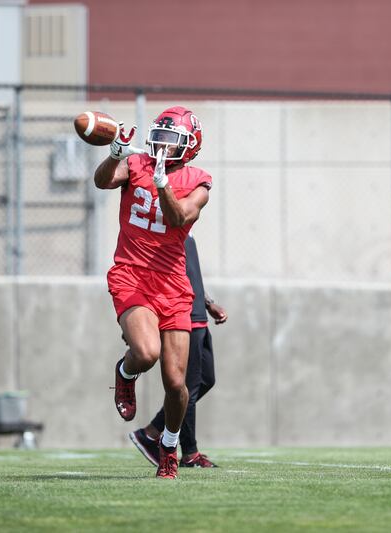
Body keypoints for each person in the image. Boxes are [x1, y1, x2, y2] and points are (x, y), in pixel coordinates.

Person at [94, 106, 211, 480]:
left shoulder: (199, 180)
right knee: (146, 352)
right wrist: (115, 153)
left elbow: (179, 219)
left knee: (177, 384)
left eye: (171, 140)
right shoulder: (138, 163)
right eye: (158, 137)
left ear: (190, 146)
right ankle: (125, 372)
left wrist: (162, 184)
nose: (161, 145)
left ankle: (169, 446)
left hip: (173, 283)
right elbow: (102, 182)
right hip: (132, 273)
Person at [129, 235, 227, 468]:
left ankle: (151, 432)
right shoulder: (163, 228)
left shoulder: (186, 228)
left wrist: (208, 302)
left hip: (198, 314)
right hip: (181, 316)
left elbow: (189, 274)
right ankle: (190, 453)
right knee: (187, 387)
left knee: (206, 380)